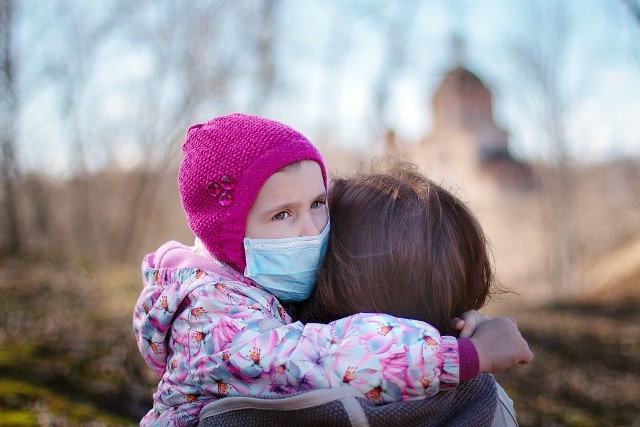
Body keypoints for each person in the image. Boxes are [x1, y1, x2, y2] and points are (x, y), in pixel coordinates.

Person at [133, 114, 532, 426]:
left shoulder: (254, 287)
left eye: (318, 204)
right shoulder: (213, 319)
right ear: (227, 237)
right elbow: (325, 356)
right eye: (282, 214)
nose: (311, 230)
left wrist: (444, 321)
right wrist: (461, 353)